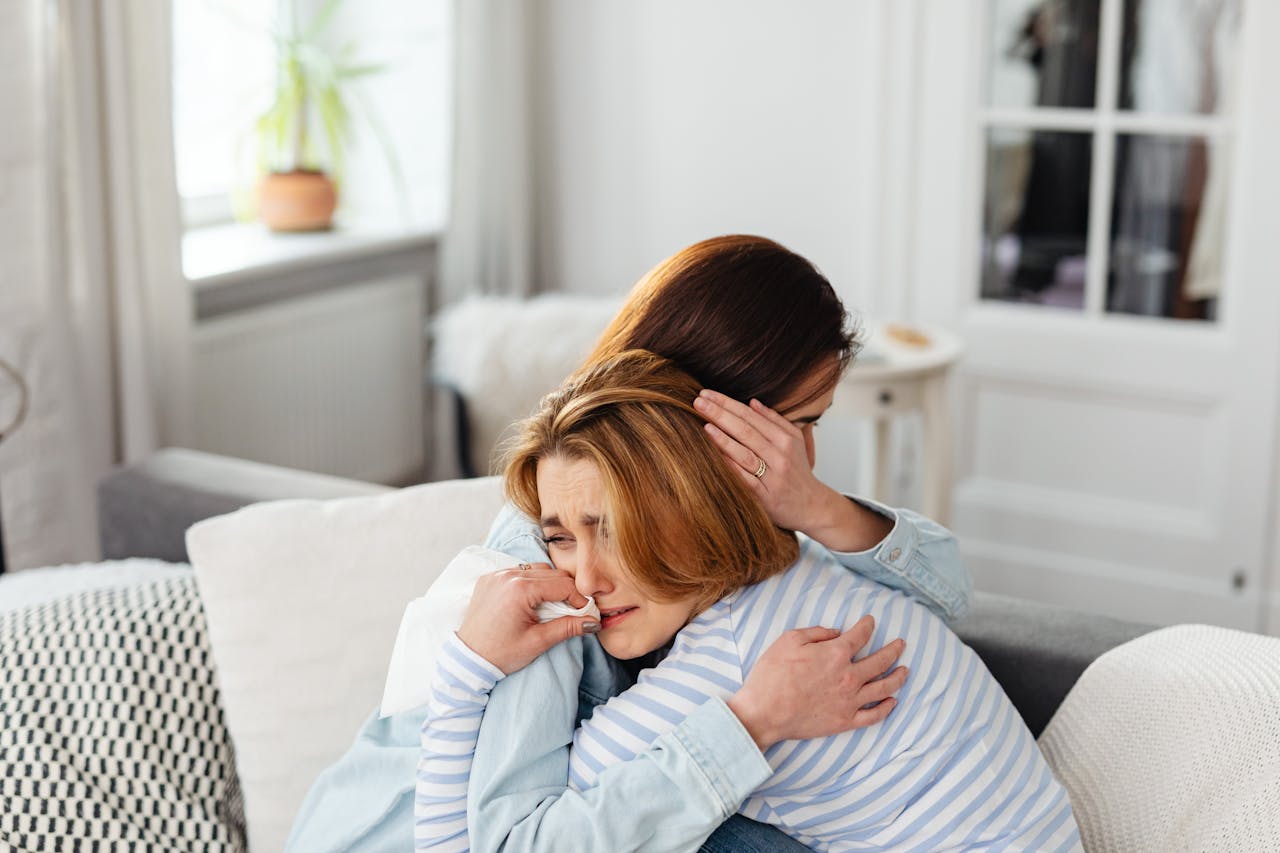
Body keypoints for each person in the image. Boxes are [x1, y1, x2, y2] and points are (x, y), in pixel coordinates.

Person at [286, 236, 970, 852]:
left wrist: (816, 506)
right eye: (794, 424)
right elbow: (511, 840)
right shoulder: (550, 576)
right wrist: (754, 721)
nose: (803, 455)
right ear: (702, 417)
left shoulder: (730, 516)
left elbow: (948, 596)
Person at [416, 350, 1080, 851]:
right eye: (560, 539)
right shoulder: (805, 572)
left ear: (691, 506)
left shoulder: (733, 660)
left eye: (612, 528)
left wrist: (464, 673)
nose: (585, 578)